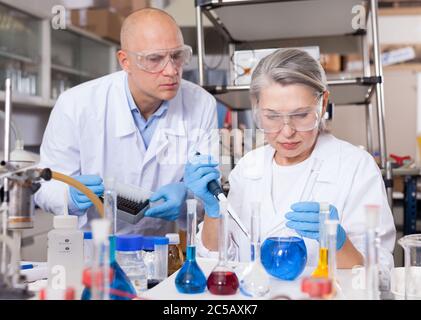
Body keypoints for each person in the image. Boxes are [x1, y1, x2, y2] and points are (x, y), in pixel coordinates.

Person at [184, 48, 396, 269]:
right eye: (272, 116)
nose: (287, 131)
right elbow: (217, 262)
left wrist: (336, 240)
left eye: (301, 115)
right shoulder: (249, 167)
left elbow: (376, 271)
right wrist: (213, 212)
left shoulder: (356, 167)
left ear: (323, 104)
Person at [35, 8, 217, 235]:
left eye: (177, 56)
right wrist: (69, 197)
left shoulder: (201, 103)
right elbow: (45, 186)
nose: (171, 70)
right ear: (125, 61)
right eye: (154, 59)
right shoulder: (76, 104)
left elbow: (209, 191)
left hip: (160, 250)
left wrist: (188, 196)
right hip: (93, 250)